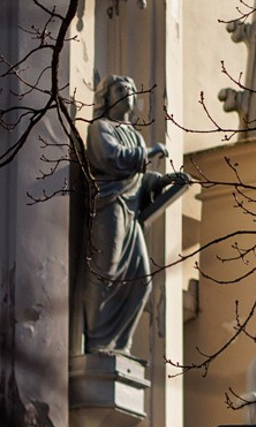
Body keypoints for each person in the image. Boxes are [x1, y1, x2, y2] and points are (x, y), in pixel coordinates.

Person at [79, 75, 189, 356]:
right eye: (119, 88)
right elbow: (112, 157)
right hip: (110, 205)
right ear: (106, 97)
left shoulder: (134, 135)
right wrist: (149, 151)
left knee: (142, 280)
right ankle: (96, 340)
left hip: (130, 209)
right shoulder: (100, 128)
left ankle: (119, 344)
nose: (127, 92)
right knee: (107, 268)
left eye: (130, 88)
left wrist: (162, 181)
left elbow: (138, 181)